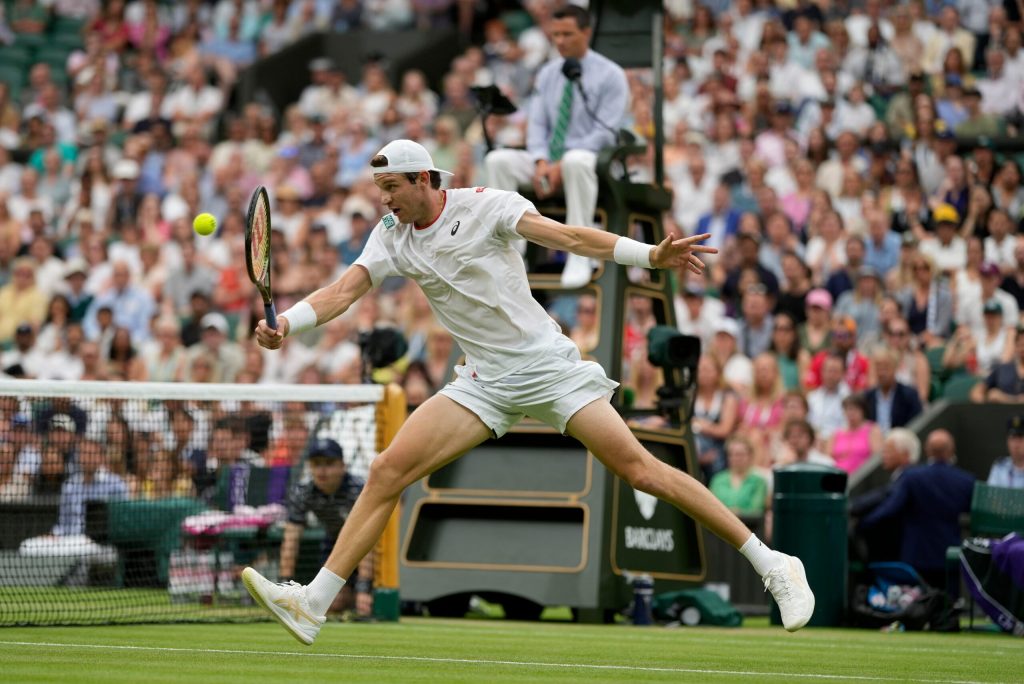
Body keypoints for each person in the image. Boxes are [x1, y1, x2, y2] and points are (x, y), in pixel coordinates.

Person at [240, 139, 814, 645]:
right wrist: (287, 323)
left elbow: (566, 235)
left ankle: (774, 564)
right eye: (378, 189)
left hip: (547, 369)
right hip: (482, 382)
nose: (384, 199)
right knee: (389, 469)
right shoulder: (390, 236)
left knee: (641, 470)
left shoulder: (485, 205)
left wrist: (647, 255)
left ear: (424, 180)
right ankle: (314, 603)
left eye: (392, 187)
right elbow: (344, 290)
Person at [483, 5, 629, 288]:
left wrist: (560, 164)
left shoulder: (611, 75)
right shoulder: (548, 73)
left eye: (567, 34)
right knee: (497, 160)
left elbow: (605, 131)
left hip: (593, 165)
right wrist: (540, 162)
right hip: (548, 162)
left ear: (586, 33)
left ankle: (580, 252)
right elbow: (537, 125)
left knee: (576, 160)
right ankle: (511, 252)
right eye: (556, 34)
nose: (560, 41)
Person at [859, 429, 974, 586]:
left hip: (916, 556)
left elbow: (890, 509)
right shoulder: (966, 481)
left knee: (919, 605)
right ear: (951, 450)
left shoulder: (911, 477)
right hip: (949, 554)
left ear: (927, 450)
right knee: (949, 603)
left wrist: (863, 523)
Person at [279, 438, 373, 617]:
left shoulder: (357, 490)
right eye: (316, 464)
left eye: (329, 463)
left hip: (372, 546)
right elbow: (290, 539)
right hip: (335, 544)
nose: (322, 470)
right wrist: (284, 586)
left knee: (369, 604)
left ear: (342, 466)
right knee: (332, 602)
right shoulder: (303, 493)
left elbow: (367, 539)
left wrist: (364, 589)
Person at [987, 415, 1024, 489]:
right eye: (1013, 439)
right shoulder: (999, 467)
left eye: (1020, 439)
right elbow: (991, 496)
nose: (1016, 445)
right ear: (1007, 441)